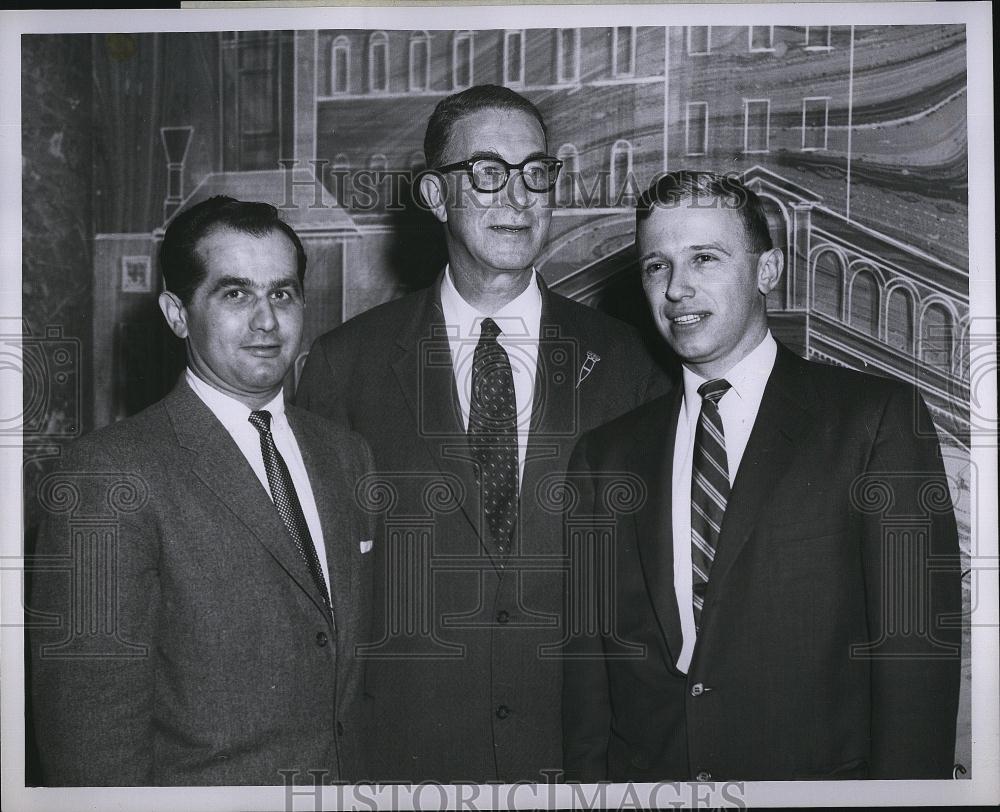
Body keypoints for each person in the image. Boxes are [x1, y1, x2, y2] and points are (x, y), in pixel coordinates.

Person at [295, 84, 667, 783]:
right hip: (403, 761)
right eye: (489, 173)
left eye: (537, 173)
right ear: (435, 196)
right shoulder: (347, 365)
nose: (519, 197)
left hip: (577, 760)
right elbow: (319, 601)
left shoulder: (631, 365)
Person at [562, 171, 961, 781]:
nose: (677, 289)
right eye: (656, 266)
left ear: (767, 272)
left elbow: (915, 659)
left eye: (705, 258)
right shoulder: (606, 456)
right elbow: (590, 685)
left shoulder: (874, 421)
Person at [30, 196, 376, 785]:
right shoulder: (107, 476)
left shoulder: (346, 455)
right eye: (235, 293)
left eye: (282, 293)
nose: (266, 320)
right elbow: (88, 737)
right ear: (177, 313)